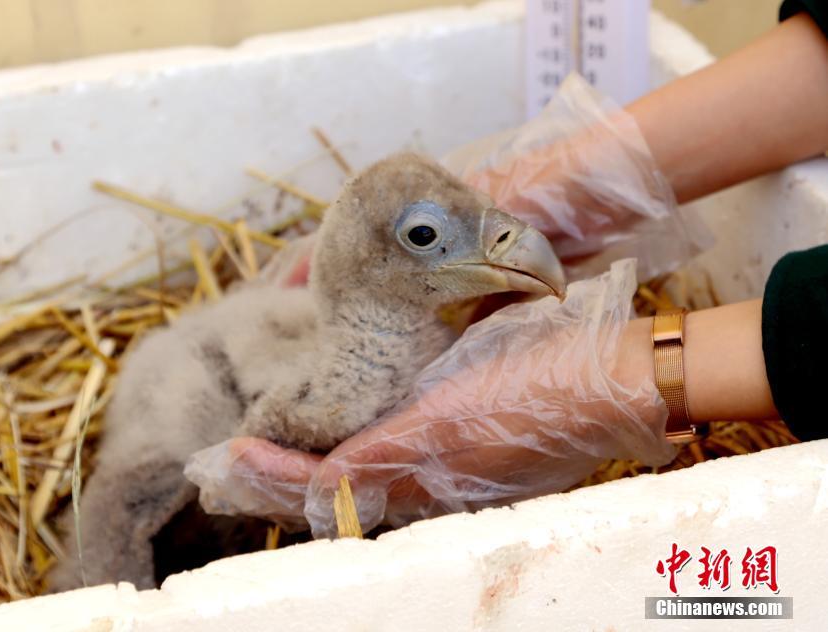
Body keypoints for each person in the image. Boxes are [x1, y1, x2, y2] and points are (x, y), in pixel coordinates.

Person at [196, 2, 828, 536]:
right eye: (422, 237)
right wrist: (583, 180)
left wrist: (615, 378)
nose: (513, 236)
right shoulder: (273, 387)